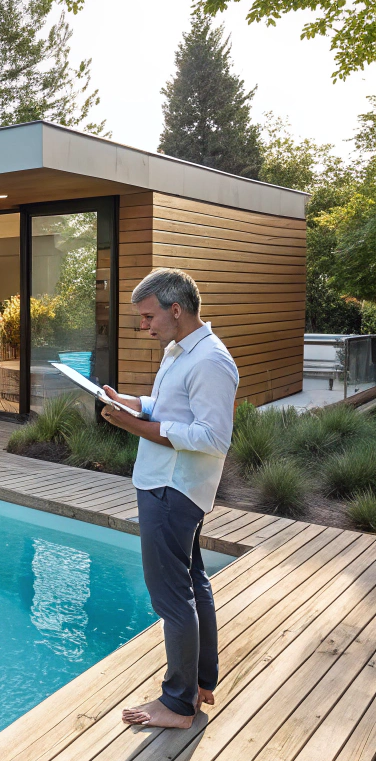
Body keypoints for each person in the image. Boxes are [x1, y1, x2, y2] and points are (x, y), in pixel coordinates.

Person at [100, 268, 239, 730]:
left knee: (172, 598)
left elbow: (212, 437)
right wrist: (135, 405)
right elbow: (173, 410)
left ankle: (178, 705)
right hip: (169, 485)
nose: (145, 326)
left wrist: (133, 427)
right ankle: (200, 683)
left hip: (172, 490)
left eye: (148, 317)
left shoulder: (210, 362)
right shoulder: (181, 352)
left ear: (175, 309)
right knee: (193, 582)